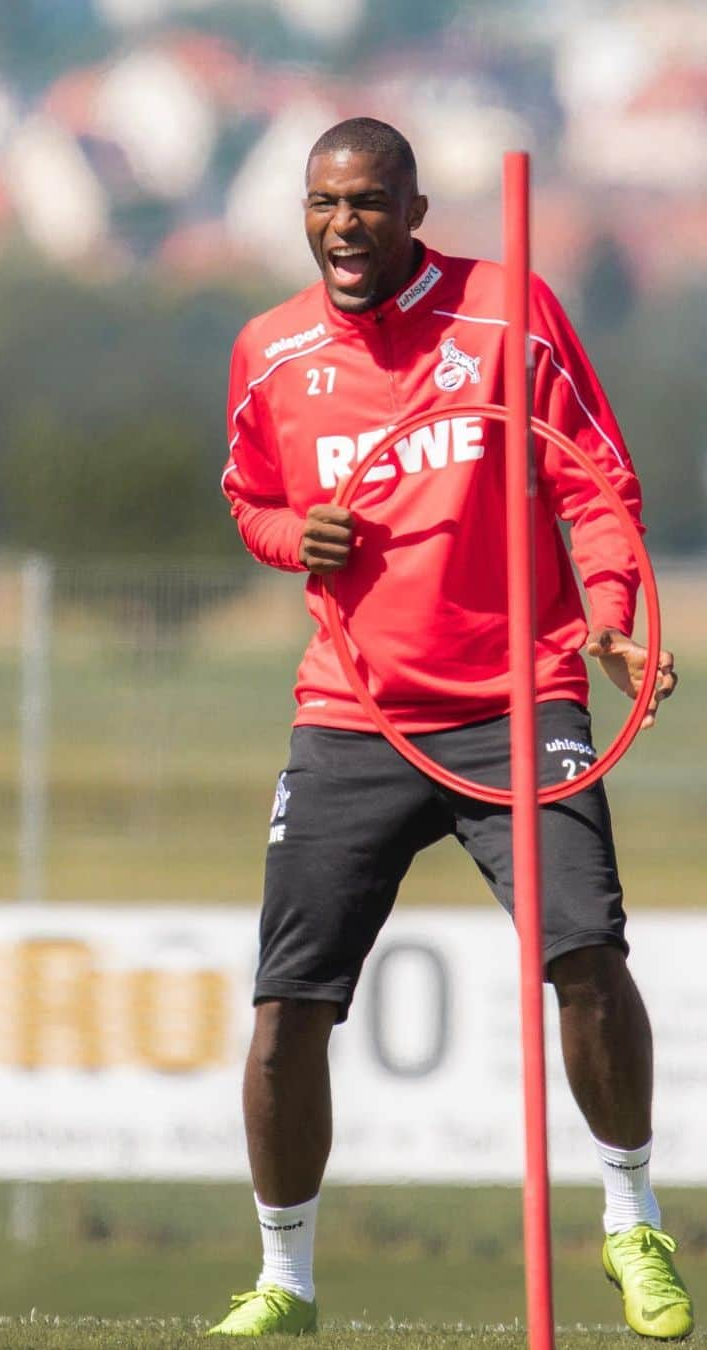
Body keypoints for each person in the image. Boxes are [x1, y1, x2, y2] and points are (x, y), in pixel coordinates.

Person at [209, 118, 688, 1340]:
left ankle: (632, 1218)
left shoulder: (506, 311)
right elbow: (255, 500)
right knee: (285, 1010)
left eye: (369, 202)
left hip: (521, 697)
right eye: (323, 202)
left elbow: (593, 482)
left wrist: (615, 612)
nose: (343, 225)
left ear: (417, 211)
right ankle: (286, 1278)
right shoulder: (267, 350)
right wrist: (292, 537)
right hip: (353, 708)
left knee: (588, 955)